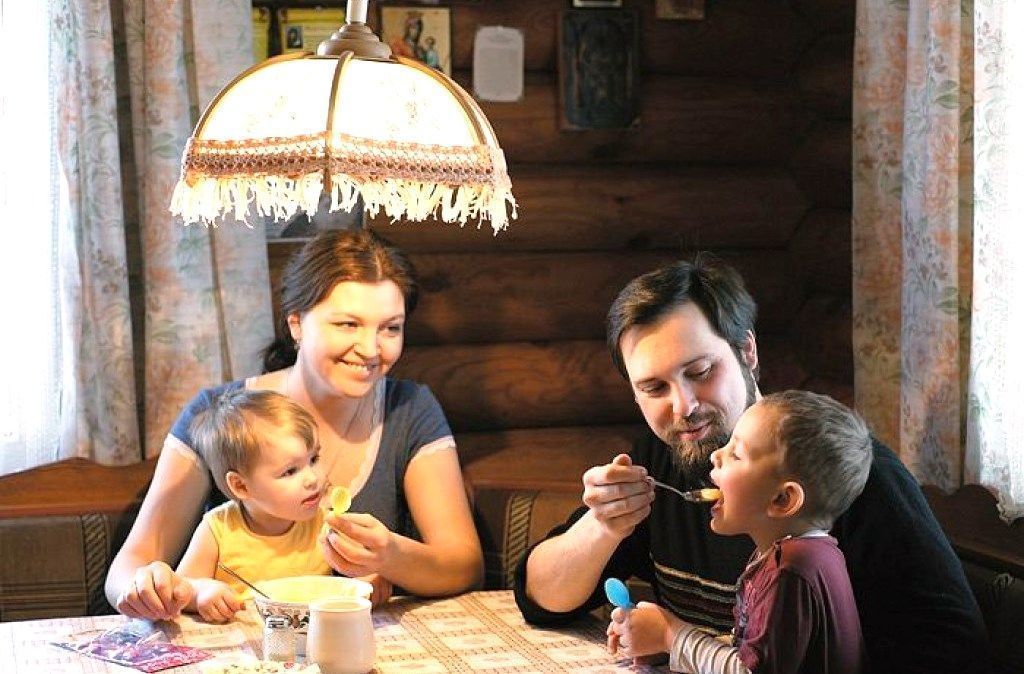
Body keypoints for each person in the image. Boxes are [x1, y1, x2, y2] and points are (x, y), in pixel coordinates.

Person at [514, 255, 990, 674]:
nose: (683, 406)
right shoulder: (658, 463)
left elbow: (955, 651)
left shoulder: (848, 474)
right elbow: (542, 601)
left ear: (748, 351)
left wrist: (678, 640)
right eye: (654, 388)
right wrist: (603, 526)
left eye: (700, 372)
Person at [106, 229, 483, 621]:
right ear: (296, 324)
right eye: (348, 324)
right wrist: (145, 587)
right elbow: (129, 567)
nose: (371, 349)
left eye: (390, 328)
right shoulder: (215, 413)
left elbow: (464, 566)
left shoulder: (410, 409)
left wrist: (390, 555)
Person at [607, 390, 872, 674]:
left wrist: (671, 636)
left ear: (782, 500)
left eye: (736, 454)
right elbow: (750, 649)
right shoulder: (790, 553)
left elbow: (748, 670)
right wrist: (666, 649)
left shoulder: (791, 570)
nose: (715, 455)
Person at [177, 389, 332, 623]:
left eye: (314, 459)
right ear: (241, 486)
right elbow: (182, 590)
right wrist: (201, 593)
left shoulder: (325, 523)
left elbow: (358, 577)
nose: (312, 478)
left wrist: (372, 578)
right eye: (290, 471)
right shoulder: (218, 529)